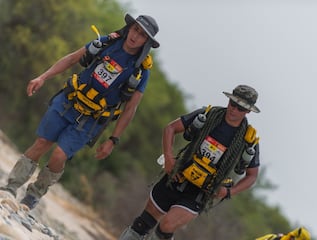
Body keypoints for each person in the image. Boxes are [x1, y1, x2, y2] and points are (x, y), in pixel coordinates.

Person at [0, 13, 160, 210]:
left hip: (91, 120)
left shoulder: (141, 72)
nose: (135, 36)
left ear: (147, 42)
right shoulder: (107, 43)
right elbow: (71, 59)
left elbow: (131, 108)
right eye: (135, 29)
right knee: (42, 142)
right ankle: (10, 187)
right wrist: (43, 77)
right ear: (129, 28)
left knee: (59, 155)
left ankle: (33, 195)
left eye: (142, 35)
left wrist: (113, 139)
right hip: (69, 101)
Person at [119, 85, 261, 240]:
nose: (234, 109)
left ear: (248, 111)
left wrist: (227, 192)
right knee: (143, 223)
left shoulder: (248, 139)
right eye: (233, 103)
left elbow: (252, 176)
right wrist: (168, 158)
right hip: (177, 175)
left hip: (201, 191)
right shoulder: (209, 115)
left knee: (166, 226)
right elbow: (170, 128)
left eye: (240, 108)